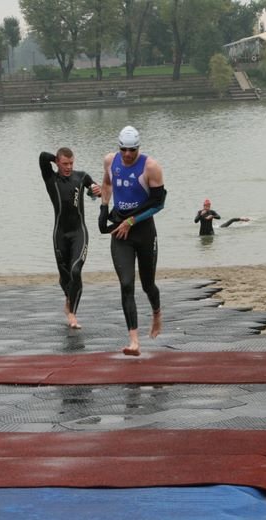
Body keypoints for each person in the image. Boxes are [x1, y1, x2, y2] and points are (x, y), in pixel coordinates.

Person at [100, 125, 166, 356]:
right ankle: (134, 341)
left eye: (133, 150)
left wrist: (132, 221)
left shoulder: (151, 167)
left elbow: (159, 204)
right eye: (124, 149)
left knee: (148, 284)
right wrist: (103, 206)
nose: (128, 154)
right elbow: (107, 184)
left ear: (139, 148)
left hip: (143, 230)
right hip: (120, 230)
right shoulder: (110, 161)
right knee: (127, 284)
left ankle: (157, 313)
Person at [38, 148, 100, 328]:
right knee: (65, 277)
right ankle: (69, 297)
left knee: (76, 271)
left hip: (79, 232)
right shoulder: (51, 179)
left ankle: (72, 313)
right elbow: (42, 157)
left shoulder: (81, 177)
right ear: (57, 163)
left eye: (71, 163)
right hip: (60, 234)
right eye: (65, 163)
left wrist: (96, 191)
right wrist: (55, 159)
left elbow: (98, 192)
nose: (68, 167)